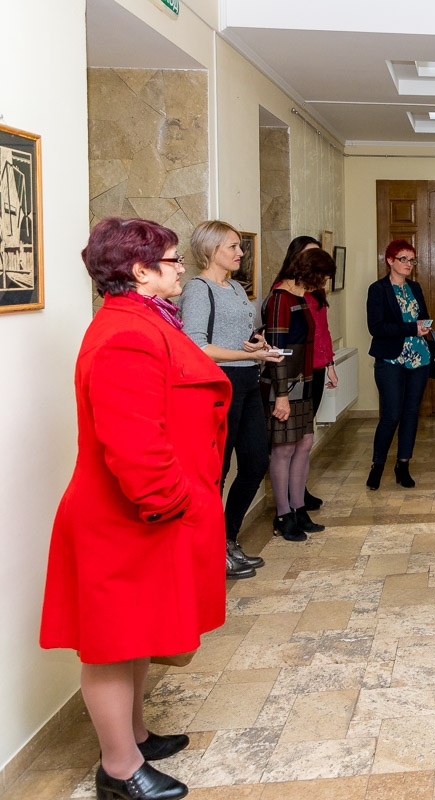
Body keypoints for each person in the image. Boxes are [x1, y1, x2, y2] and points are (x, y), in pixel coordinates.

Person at [40, 218, 230, 800]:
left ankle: (137, 735)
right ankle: (120, 769)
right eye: (172, 260)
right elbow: (132, 441)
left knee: (139, 632)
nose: (181, 268)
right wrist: (173, 505)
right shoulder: (126, 332)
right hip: (126, 517)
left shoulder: (146, 319)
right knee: (113, 643)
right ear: (140, 271)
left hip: (143, 513)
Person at [180, 220, 283, 580]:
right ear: (211, 250)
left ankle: (227, 539)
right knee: (218, 471)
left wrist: (258, 345)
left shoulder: (237, 287)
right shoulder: (197, 290)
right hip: (218, 386)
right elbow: (197, 347)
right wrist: (251, 356)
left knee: (255, 462)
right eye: (233, 246)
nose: (240, 253)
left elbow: (243, 333)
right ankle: (212, 551)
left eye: (240, 246)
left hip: (247, 382)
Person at [262, 248, 335, 540]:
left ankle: (298, 508)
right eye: (323, 278)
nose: (324, 284)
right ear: (310, 274)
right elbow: (276, 350)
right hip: (285, 385)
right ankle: (283, 515)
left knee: (304, 444)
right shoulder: (280, 299)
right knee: (283, 450)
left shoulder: (302, 297)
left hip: (303, 382)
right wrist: (281, 395)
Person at [366, 239, 431, 490]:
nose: (408, 264)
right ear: (390, 260)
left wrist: (424, 326)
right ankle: (377, 465)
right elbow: (376, 328)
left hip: (419, 358)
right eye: (403, 259)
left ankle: (403, 465)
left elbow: (422, 317)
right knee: (391, 414)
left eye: (412, 260)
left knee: (411, 413)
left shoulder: (415, 287)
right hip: (390, 359)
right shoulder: (378, 289)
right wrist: (412, 328)